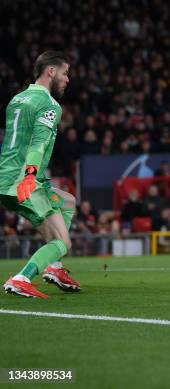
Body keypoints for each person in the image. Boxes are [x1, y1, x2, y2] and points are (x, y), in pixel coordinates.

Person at [1, 51, 80, 298]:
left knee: (68, 201)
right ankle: (22, 278)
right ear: (51, 71)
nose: (68, 79)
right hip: (25, 181)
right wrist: (30, 175)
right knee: (63, 242)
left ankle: (54, 266)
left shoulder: (18, 99)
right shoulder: (48, 105)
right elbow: (37, 145)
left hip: (7, 177)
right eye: (65, 73)